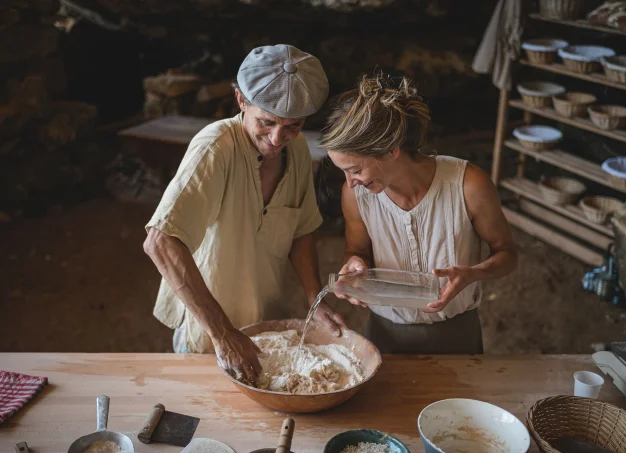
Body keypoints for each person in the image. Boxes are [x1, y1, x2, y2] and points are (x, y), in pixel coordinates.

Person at [144, 45, 345, 383]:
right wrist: (223, 335)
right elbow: (161, 243)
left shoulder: (295, 151)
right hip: (208, 331)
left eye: (292, 126)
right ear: (240, 100)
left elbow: (301, 228)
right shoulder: (215, 149)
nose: (277, 138)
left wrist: (314, 298)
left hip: (264, 319)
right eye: (266, 122)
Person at [319, 74, 517, 354]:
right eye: (343, 172)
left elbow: (508, 255)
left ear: (391, 151)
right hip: (384, 333)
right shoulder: (355, 195)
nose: (350, 182)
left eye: (356, 170)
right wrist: (353, 264)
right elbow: (357, 249)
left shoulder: (468, 185)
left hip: (456, 332)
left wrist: (472, 274)